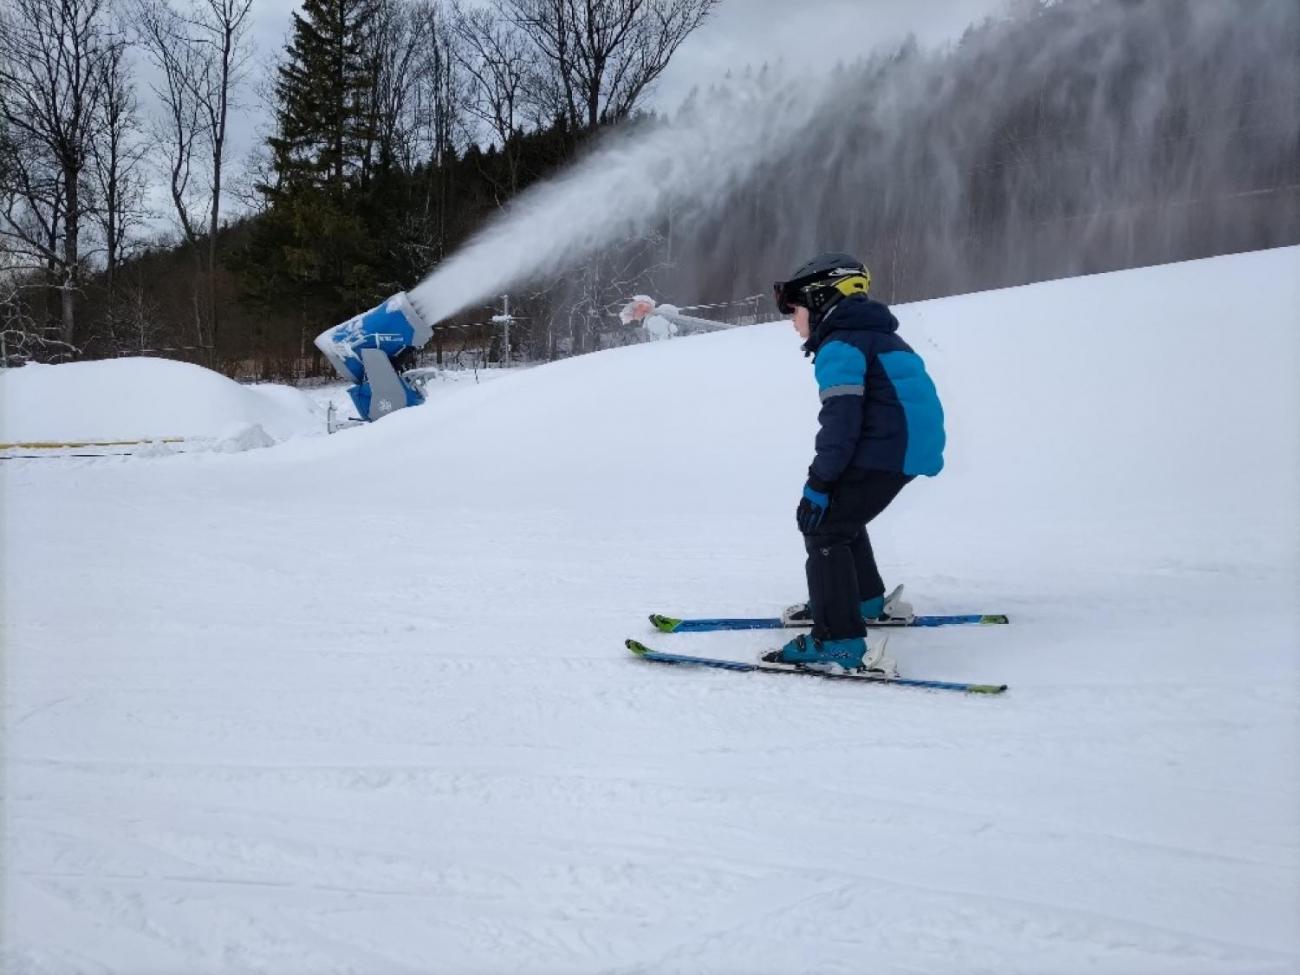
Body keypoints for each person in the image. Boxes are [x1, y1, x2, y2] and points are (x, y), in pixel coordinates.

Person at [762, 253, 946, 674]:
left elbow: (840, 424)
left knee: (824, 526)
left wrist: (818, 484)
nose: (792, 320)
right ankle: (863, 602)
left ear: (822, 301)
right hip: (904, 448)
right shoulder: (874, 335)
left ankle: (840, 640)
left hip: (888, 448)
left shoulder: (841, 345)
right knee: (843, 517)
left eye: (796, 309)